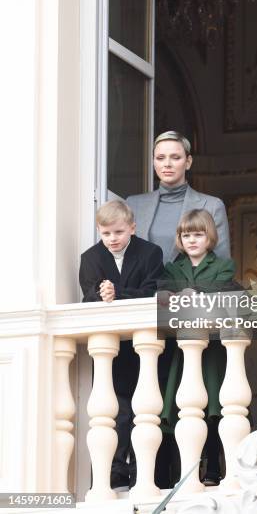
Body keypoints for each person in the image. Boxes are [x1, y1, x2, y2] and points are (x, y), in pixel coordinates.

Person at [79, 200, 164, 491]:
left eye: (118, 232)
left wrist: (119, 292)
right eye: (105, 234)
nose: (112, 239)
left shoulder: (151, 253)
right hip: (110, 353)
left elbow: (154, 290)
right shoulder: (90, 257)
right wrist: (98, 293)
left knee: (147, 409)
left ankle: (144, 474)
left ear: (132, 227)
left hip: (145, 350)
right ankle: (113, 475)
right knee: (115, 413)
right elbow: (87, 296)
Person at [160, 209, 236, 486]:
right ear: (180, 238)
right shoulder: (171, 268)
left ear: (209, 237)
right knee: (182, 407)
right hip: (182, 349)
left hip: (212, 349)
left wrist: (197, 294)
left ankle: (214, 467)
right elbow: (161, 294)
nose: (192, 240)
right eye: (186, 234)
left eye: (198, 234)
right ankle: (185, 470)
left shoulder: (223, 265)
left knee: (214, 407)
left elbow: (226, 292)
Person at [126, 131, 231, 264]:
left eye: (175, 157)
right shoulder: (133, 204)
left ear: (188, 162)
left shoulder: (212, 206)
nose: (167, 164)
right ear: (153, 162)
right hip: (142, 285)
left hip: (191, 285)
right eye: (160, 158)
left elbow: (222, 263)